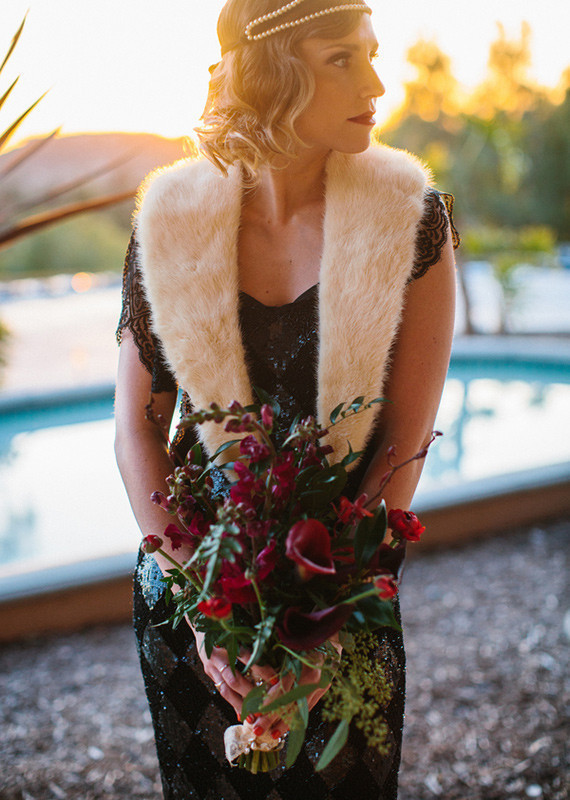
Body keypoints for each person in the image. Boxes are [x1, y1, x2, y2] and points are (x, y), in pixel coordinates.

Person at [115, 0, 458, 797]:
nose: (375, 83)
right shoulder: (168, 224)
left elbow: (403, 443)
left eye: (372, 54)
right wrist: (206, 603)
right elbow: (138, 427)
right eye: (341, 58)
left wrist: (322, 621)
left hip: (343, 601)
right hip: (192, 605)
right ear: (272, 72)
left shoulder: (411, 220)